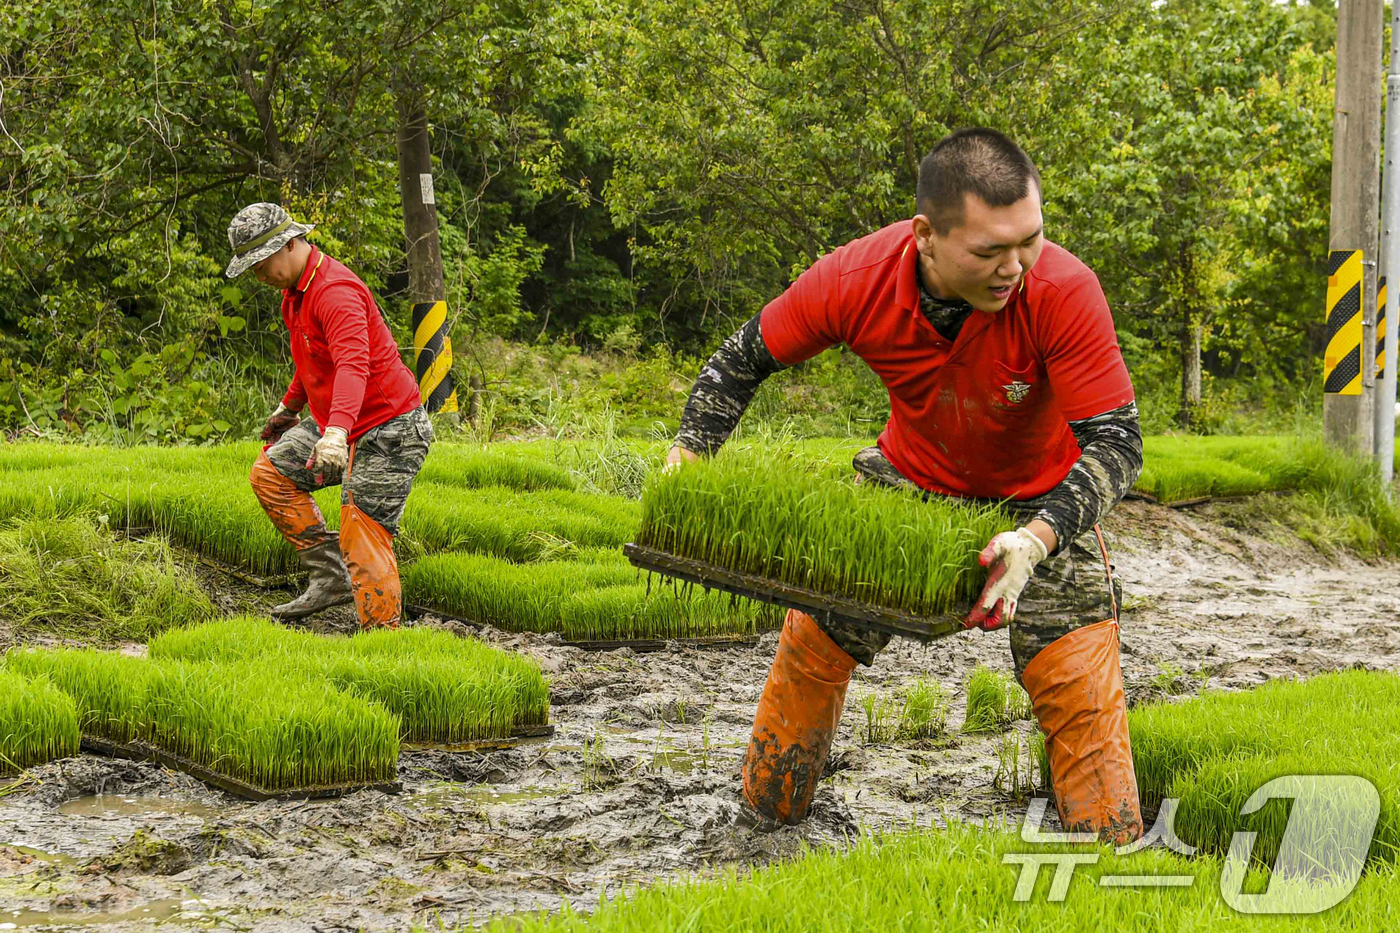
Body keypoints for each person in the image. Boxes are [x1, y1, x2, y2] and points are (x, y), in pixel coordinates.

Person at [667, 129, 1144, 842]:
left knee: (1078, 683)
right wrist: (688, 457)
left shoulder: (1061, 289)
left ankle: (1107, 850)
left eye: (1030, 240)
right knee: (814, 643)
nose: (1015, 267)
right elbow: (741, 359)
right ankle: (764, 824)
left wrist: (1037, 540)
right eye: (990, 251)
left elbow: (1118, 444)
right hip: (910, 482)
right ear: (925, 235)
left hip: (1041, 503)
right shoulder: (855, 279)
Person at [225, 202, 433, 630]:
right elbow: (313, 361)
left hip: (389, 427)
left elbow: (353, 365)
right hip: (340, 422)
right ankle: (330, 577)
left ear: (288, 244)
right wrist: (289, 408)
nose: (259, 276)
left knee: (361, 529)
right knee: (270, 475)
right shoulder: (294, 295)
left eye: (260, 265)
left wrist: (336, 433)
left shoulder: (334, 290)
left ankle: (382, 639)